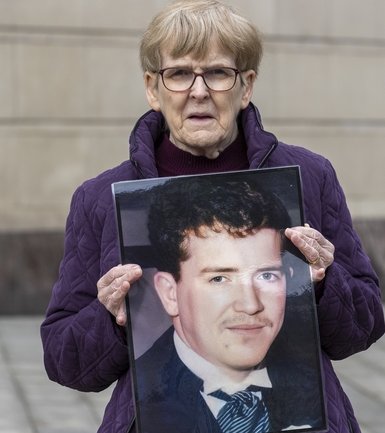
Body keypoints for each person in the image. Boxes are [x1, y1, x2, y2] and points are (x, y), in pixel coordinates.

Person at [41, 0, 385, 433]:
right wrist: (110, 318)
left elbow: (363, 327)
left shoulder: (309, 177)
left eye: (219, 73)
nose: (199, 91)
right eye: (179, 74)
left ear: (247, 87)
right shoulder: (100, 199)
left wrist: (323, 283)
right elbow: (64, 362)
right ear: (152, 88)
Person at [134, 178, 324, 432]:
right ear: (170, 294)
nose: (250, 305)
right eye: (219, 279)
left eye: (267, 275)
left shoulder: (316, 384)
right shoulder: (141, 403)